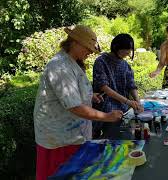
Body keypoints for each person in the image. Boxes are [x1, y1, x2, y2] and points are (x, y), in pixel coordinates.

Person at [33, 25, 123, 180]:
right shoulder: (60, 66)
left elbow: (72, 93)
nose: (89, 52)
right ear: (74, 43)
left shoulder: (71, 61)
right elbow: (74, 106)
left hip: (72, 133)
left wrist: (90, 96)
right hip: (59, 137)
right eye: (87, 48)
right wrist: (107, 116)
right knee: (61, 175)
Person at [92, 33, 143, 139]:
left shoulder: (125, 65)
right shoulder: (101, 61)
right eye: (126, 49)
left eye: (130, 49)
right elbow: (104, 87)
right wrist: (128, 101)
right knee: (109, 139)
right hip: (105, 109)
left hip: (123, 110)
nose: (129, 52)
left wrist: (138, 102)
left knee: (124, 137)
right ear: (116, 47)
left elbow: (131, 85)